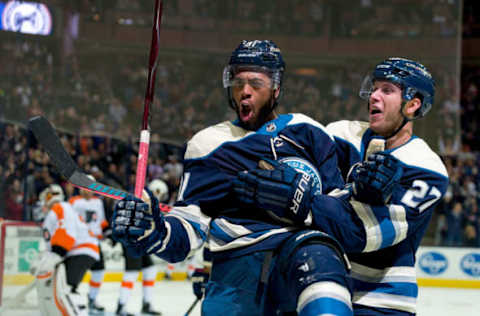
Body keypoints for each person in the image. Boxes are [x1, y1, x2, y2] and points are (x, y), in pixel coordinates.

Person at [112, 40, 364, 315]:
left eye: (256, 83)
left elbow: (343, 218)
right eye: (238, 82)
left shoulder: (309, 132)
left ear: (276, 88)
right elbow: (191, 224)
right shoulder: (207, 144)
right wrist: (154, 232)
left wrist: (306, 204)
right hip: (235, 269)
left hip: (301, 258)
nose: (245, 91)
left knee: (320, 257)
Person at [233, 57, 449, 315]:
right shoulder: (340, 134)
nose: (374, 96)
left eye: (387, 90)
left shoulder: (425, 167)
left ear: (413, 105)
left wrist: (305, 203)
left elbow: (363, 234)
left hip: (380, 301)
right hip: (314, 279)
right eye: (375, 87)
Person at [33, 184, 100, 316]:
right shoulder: (62, 209)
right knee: (63, 289)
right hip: (78, 251)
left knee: (68, 289)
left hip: (79, 250)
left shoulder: (61, 207)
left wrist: (56, 255)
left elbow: (66, 233)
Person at [114, 179, 166, 316]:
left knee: (150, 269)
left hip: (141, 241)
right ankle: (121, 306)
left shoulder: (147, 202)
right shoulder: (140, 200)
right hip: (131, 240)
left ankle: (146, 303)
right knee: (131, 273)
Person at [69, 175, 108, 314]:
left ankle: (92, 299)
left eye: (90, 187)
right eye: (85, 186)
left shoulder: (98, 202)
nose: (88, 190)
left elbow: (101, 221)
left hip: (95, 243)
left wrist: (108, 231)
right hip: (79, 243)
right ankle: (71, 299)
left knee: (99, 271)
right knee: (75, 275)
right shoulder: (74, 202)